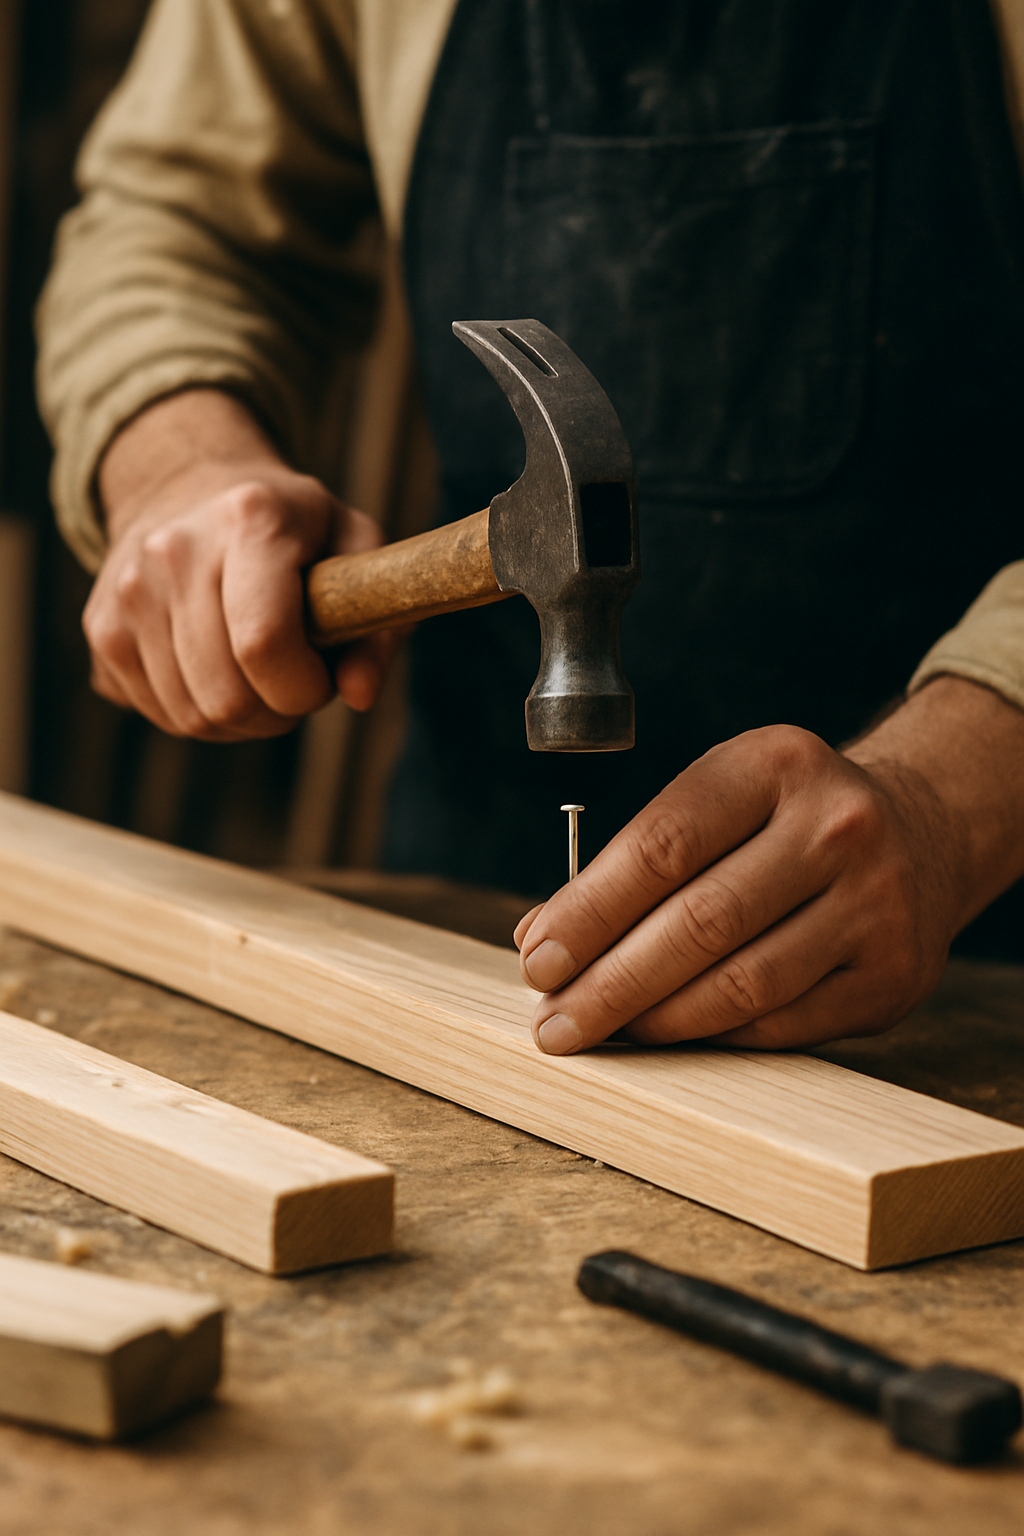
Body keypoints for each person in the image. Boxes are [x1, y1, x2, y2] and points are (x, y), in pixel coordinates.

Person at [36, 0, 1024, 1059]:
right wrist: (178, 462)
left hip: (979, 942)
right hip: (466, 893)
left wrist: (940, 802)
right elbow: (180, 215)